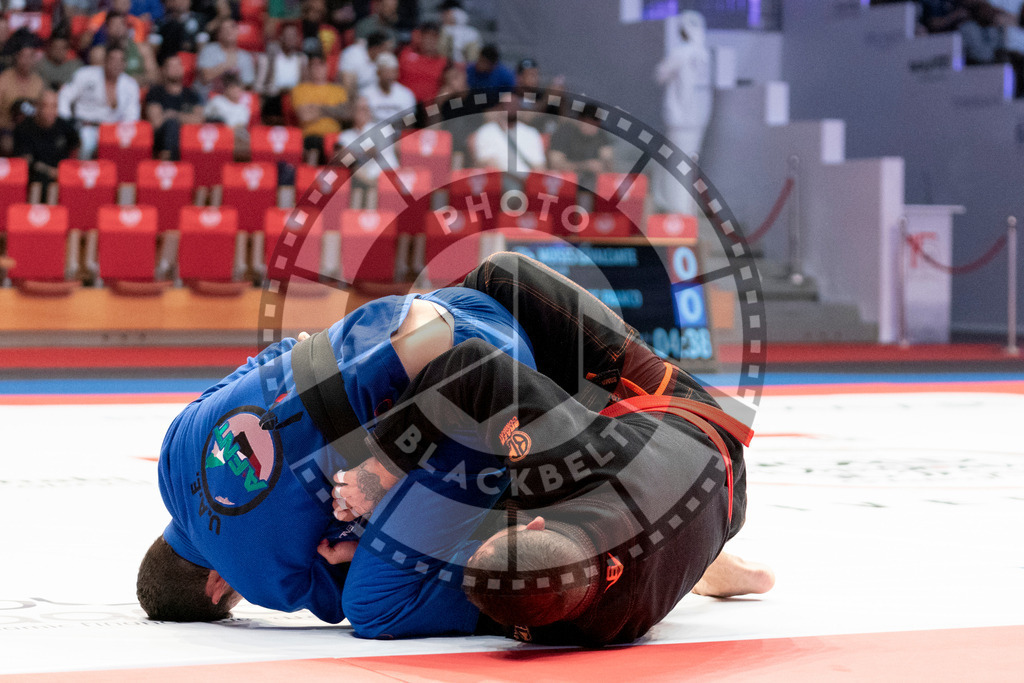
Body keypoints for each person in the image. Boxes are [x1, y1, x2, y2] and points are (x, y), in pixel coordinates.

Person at [331, 252, 773, 643]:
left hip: (718, 508)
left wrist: (381, 542)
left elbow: (496, 577)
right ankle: (704, 559)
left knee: (482, 548)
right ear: (537, 523)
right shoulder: (576, 469)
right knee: (503, 277)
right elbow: (470, 366)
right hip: (689, 424)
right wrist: (382, 468)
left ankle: (704, 559)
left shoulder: (567, 616)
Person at [137, 288, 536, 623]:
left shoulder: (266, 585)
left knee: (375, 604)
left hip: (475, 391)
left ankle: (529, 591)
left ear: (214, 588)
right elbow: (284, 350)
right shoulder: (173, 448)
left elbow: (353, 575)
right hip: (440, 307)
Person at [653, 10, 712, 214]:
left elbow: (660, 74)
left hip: (682, 119)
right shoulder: (704, 55)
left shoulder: (682, 52)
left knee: (678, 165)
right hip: (699, 119)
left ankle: (679, 212)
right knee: (689, 164)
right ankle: (685, 210)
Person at [57, 44, 141, 159]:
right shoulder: (85, 75)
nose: (116, 64)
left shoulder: (130, 84)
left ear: (124, 64)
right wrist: (65, 122)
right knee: (86, 144)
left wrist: (123, 134)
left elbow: (132, 115)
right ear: (105, 61)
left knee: (128, 148)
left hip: (114, 131)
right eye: (112, 59)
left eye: (120, 60)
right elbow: (65, 95)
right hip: (86, 127)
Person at [13, 89, 80, 194]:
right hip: (35, 177)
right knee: (39, 182)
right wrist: (51, 172)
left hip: (63, 175)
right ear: (37, 107)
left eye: (54, 106)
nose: (50, 111)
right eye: (45, 105)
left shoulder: (65, 127)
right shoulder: (24, 128)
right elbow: (26, 161)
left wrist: (69, 168)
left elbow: (75, 146)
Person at [290, 51, 349, 161]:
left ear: (327, 66)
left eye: (320, 64)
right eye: (313, 64)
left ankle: (355, 177)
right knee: (314, 149)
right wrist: (332, 110)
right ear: (308, 68)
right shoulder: (300, 90)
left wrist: (317, 109)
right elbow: (304, 116)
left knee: (349, 157)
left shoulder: (338, 90)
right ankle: (309, 176)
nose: (317, 68)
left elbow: (345, 115)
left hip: (336, 138)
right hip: (311, 136)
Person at [145, 55, 203, 159]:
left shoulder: (191, 94)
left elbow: (199, 120)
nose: (176, 69)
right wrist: (183, 118)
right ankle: (167, 163)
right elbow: (156, 122)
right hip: (161, 139)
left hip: (188, 138)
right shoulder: (155, 93)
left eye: (178, 65)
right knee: (171, 125)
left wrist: (174, 115)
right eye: (171, 66)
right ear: (164, 70)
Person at [547, 103, 614, 192]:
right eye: (589, 122)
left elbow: (609, 166)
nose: (593, 127)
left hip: (591, 185)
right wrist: (585, 166)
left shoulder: (601, 135)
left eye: (596, 122)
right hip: (565, 184)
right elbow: (555, 164)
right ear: (581, 120)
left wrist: (605, 163)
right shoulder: (564, 132)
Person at [336, 95, 398, 189]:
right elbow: (344, 160)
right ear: (352, 111)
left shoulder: (381, 128)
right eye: (361, 109)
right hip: (362, 178)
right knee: (356, 173)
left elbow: (373, 152)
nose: (365, 112)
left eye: (367, 108)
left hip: (386, 174)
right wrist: (356, 153)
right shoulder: (345, 135)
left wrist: (353, 152)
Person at [471, 101, 546, 175]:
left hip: (528, 179)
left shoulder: (531, 132)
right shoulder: (486, 131)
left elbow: (539, 164)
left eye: (513, 106)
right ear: (499, 109)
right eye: (505, 106)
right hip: (500, 178)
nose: (509, 109)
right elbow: (485, 161)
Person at [0, 34, 45, 156]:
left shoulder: (39, 82)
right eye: (23, 56)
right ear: (16, 57)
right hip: (7, 128)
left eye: (30, 57)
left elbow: (42, 111)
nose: (26, 61)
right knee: (7, 143)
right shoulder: (4, 79)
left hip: (32, 130)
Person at [255, 22, 307, 124]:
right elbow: (258, 87)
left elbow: (305, 86)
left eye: (294, 36)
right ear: (280, 37)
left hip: (295, 100)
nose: (291, 39)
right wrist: (277, 91)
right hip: (273, 99)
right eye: (288, 35)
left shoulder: (302, 59)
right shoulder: (267, 59)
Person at [196, 18, 256, 98]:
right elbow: (205, 77)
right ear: (219, 34)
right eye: (224, 29)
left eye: (232, 27)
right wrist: (226, 65)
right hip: (208, 96)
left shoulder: (245, 56)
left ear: (237, 31)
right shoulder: (209, 50)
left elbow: (247, 84)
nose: (229, 31)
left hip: (234, 99)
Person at [397, 21, 446, 105]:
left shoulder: (444, 62)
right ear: (420, 37)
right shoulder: (404, 53)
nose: (430, 41)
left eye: (434, 37)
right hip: (403, 105)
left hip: (429, 107)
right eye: (427, 37)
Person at [362, 51, 415, 123]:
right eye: (386, 72)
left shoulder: (406, 95)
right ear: (378, 73)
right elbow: (362, 122)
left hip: (398, 132)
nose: (390, 76)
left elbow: (409, 123)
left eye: (393, 72)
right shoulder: (365, 95)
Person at [336, 30, 393, 95]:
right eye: (387, 50)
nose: (389, 54)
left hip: (371, 98)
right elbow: (347, 86)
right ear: (376, 49)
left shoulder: (384, 61)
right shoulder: (353, 54)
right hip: (349, 96)